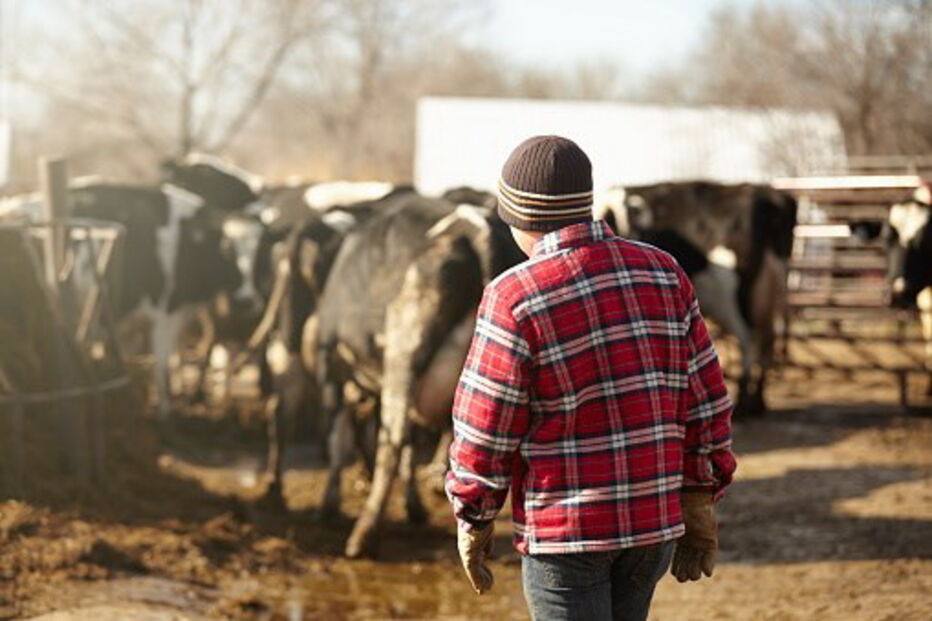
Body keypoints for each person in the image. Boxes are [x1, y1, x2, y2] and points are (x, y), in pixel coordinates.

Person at [445, 135, 737, 620]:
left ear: (520, 217)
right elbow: (706, 400)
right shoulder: (664, 272)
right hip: (652, 526)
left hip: (566, 534)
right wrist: (700, 495)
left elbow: (487, 423)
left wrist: (473, 513)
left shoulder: (514, 295)